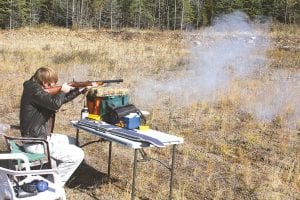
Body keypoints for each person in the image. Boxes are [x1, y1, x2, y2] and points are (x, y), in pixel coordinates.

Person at [19, 67, 86, 186]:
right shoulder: (34, 90)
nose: (55, 85)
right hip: (35, 142)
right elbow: (55, 104)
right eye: (53, 83)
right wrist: (62, 91)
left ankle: (53, 170)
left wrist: (79, 89)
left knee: (73, 141)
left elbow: (59, 100)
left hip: (39, 136)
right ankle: (52, 185)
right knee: (78, 154)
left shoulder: (34, 88)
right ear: (45, 83)